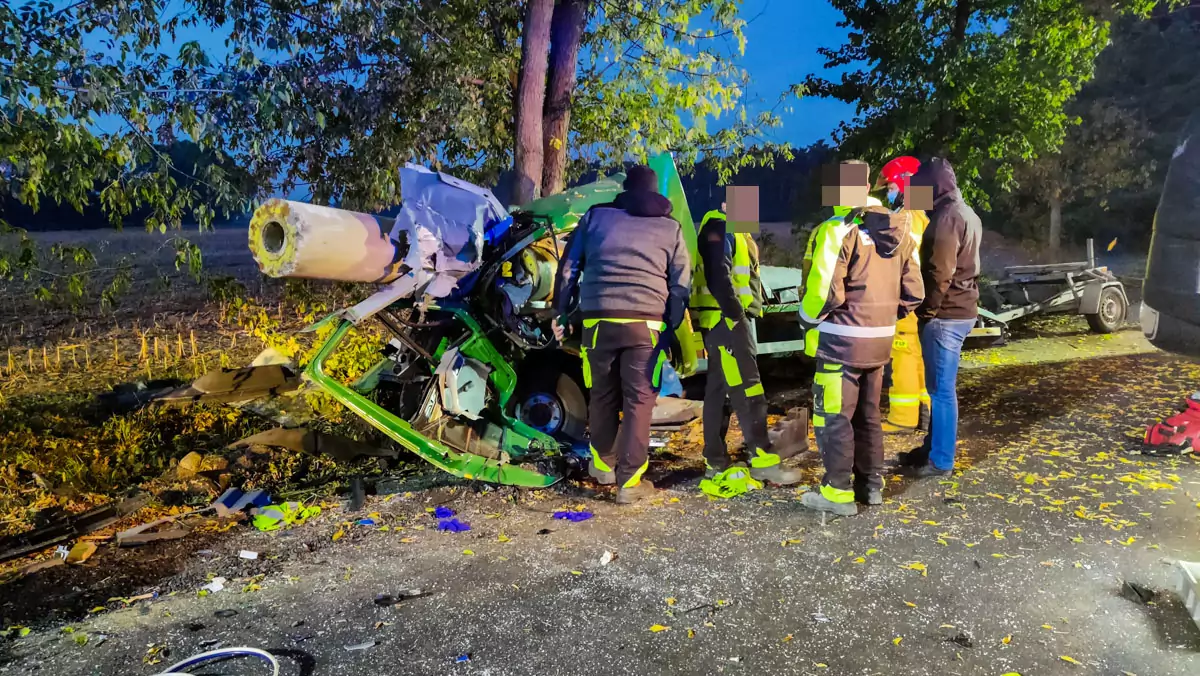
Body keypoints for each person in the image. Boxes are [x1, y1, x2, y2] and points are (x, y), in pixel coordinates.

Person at [553, 165, 691, 504]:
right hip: (646, 324)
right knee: (639, 401)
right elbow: (681, 284)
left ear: (625, 191)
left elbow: (569, 266)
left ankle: (603, 466)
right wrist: (670, 326)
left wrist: (562, 310)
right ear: (656, 194)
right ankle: (629, 482)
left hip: (598, 322)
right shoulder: (670, 228)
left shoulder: (596, 218)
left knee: (602, 394)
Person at [798, 162, 924, 516]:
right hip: (880, 343)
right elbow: (915, 293)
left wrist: (806, 322)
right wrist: (883, 320)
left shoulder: (838, 230)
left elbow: (825, 294)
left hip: (841, 343)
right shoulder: (902, 231)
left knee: (833, 416)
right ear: (868, 185)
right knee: (868, 416)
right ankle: (870, 486)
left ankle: (837, 492)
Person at [692, 201, 802, 485]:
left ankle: (714, 460)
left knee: (719, 391)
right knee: (748, 390)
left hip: (719, 322)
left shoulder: (729, 231)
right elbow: (719, 274)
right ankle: (762, 457)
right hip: (726, 322)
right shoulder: (720, 228)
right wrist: (735, 314)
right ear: (727, 205)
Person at [898, 157, 982, 477]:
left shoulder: (946, 219)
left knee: (941, 391)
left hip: (945, 316)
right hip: (962, 310)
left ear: (932, 188)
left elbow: (939, 274)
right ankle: (931, 449)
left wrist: (925, 311)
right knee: (939, 388)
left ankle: (941, 461)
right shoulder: (966, 213)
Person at [875, 156, 932, 434]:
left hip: (906, 298)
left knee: (903, 354)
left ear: (902, 184)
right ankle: (923, 413)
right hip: (922, 298)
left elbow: (901, 259)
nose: (888, 193)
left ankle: (903, 418)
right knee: (918, 355)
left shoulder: (907, 217)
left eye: (890, 187)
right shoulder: (922, 214)